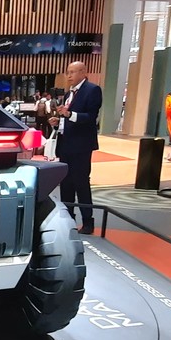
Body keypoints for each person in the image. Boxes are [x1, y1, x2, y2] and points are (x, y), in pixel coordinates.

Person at [48, 61, 102, 235]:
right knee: (66, 183)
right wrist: (58, 122)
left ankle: (88, 221)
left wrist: (69, 114)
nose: (69, 75)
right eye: (68, 72)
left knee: (81, 182)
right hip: (66, 144)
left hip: (81, 145)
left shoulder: (92, 90)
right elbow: (68, 119)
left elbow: (90, 117)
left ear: (83, 72)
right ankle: (68, 218)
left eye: (73, 72)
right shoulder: (68, 94)